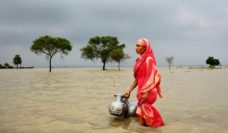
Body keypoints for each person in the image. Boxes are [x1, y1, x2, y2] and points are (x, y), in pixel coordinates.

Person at [124, 38, 164, 127]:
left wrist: (146, 92)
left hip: (149, 92)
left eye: (139, 46)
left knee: (147, 117)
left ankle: (156, 127)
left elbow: (150, 77)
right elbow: (138, 79)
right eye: (136, 45)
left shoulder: (149, 59)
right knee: (141, 118)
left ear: (145, 48)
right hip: (142, 91)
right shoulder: (139, 60)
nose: (136, 48)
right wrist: (128, 91)